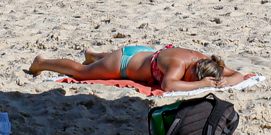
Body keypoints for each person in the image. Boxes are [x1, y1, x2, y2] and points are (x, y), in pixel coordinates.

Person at [26, 43, 246, 91]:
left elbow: (238, 74)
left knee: (97, 63)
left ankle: (93, 55)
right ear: (193, 70)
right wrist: (200, 84)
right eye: (191, 79)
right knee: (81, 73)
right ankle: (42, 63)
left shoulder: (206, 61)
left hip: (143, 53)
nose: (188, 82)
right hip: (123, 63)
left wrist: (228, 80)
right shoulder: (179, 65)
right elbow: (169, 86)